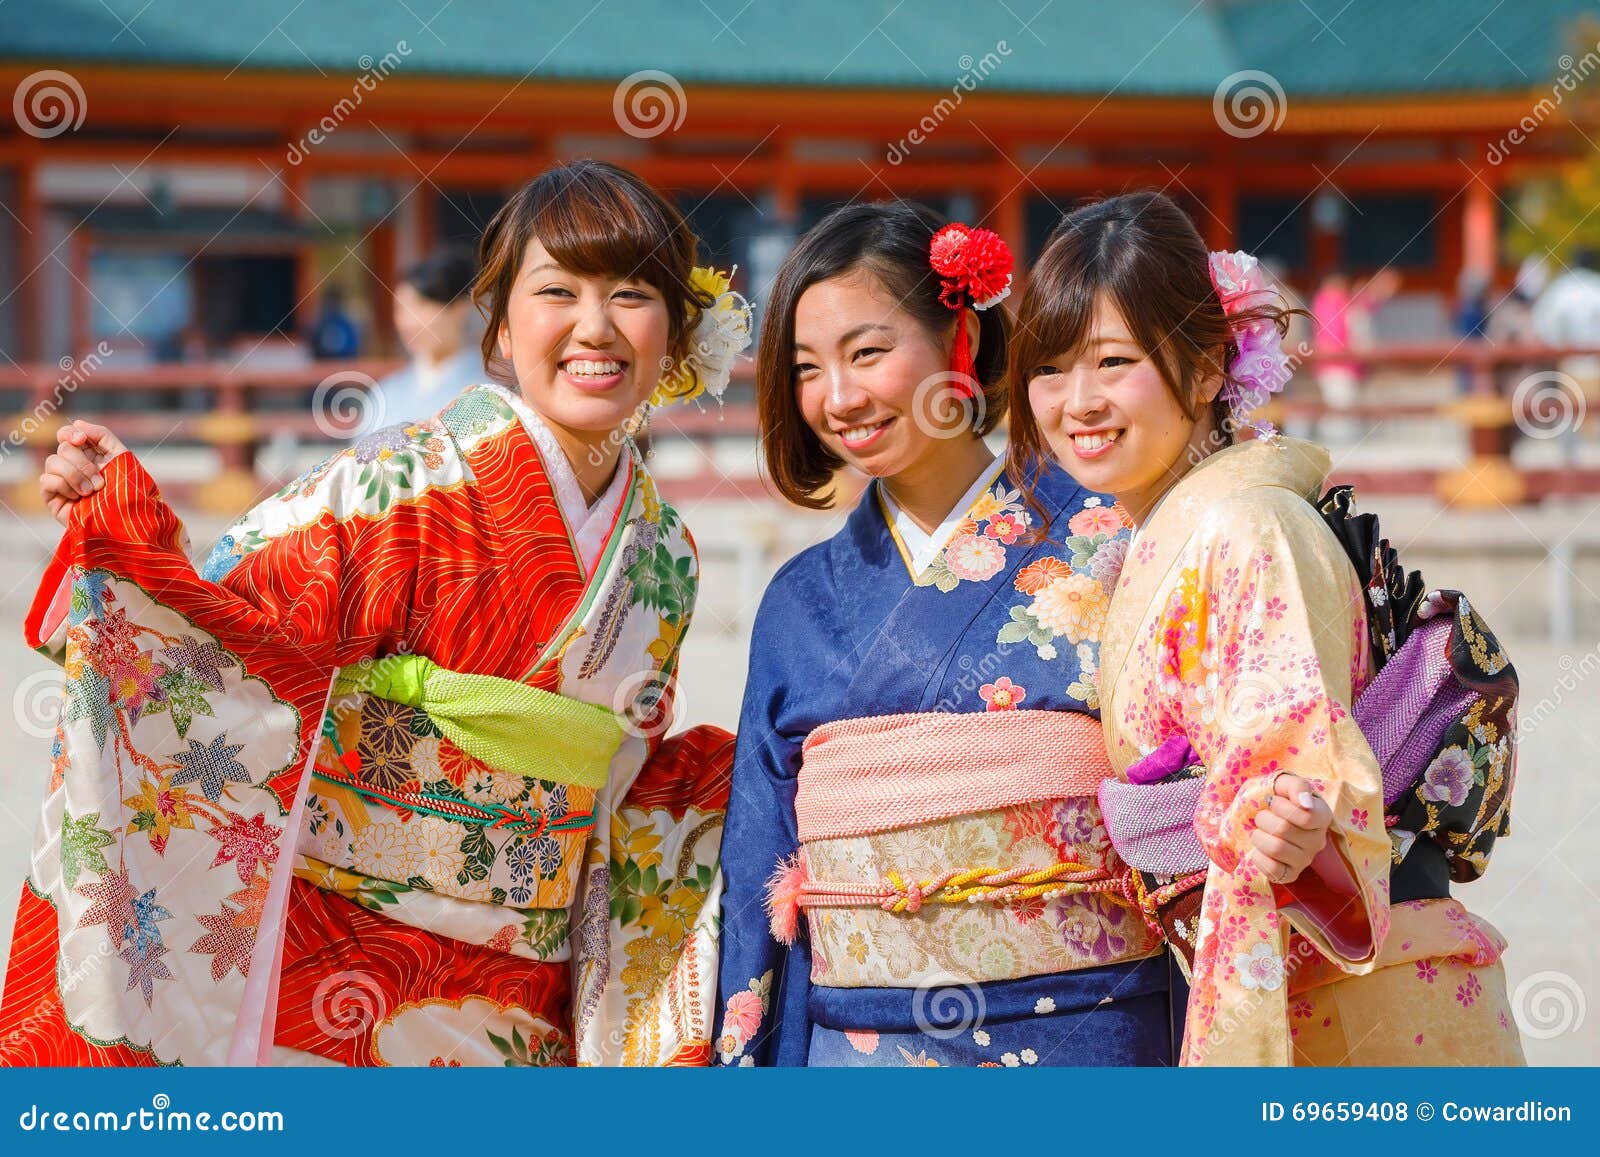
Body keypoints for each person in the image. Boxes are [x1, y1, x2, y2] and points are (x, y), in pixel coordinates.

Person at [0, 159, 751, 1068]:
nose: (595, 327)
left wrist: (749, 780)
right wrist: (133, 534)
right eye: (557, 291)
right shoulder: (397, 483)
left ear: (675, 333)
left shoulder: (665, 554)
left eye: (633, 294)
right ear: (504, 325)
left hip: (529, 990)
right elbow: (227, 640)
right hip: (338, 964)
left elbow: (623, 778)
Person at [1008, 190, 1524, 1066]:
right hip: (1309, 972)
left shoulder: (1246, 527)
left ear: (1209, 367)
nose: (1077, 400)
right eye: (1051, 367)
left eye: (1115, 361)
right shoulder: (1177, 531)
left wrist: (1284, 823)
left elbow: (1284, 791)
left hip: (1352, 998)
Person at [714, 202, 1187, 1068]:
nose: (839, 396)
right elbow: (757, 865)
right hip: (862, 1053)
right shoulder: (798, 602)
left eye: (867, 352)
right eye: (808, 368)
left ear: (959, 340)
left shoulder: (1118, 549)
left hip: (1087, 1030)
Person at [375, 248, 485, 428]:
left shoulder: (486, 391)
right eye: (400, 309)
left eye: (422, 306)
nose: (408, 322)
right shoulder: (385, 392)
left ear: (459, 308)